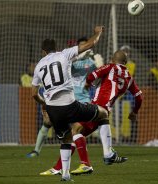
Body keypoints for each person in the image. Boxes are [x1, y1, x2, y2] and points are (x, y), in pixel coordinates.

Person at [40, 50, 143, 176]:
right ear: (125, 62)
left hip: (96, 108)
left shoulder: (109, 67)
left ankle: (86, 164)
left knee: (75, 131)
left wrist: (88, 84)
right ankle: (59, 167)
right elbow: (139, 96)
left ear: (112, 59)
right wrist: (134, 112)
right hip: (106, 109)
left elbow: (91, 76)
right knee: (75, 133)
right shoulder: (129, 78)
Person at [31, 25, 109, 181]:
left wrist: (44, 103)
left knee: (67, 139)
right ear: (55, 48)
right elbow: (89, 45)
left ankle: (65, 175)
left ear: (43, 51)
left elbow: (34, 94)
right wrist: (97, 33)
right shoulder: (64, 54)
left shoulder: (39, 65)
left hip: (53, 109)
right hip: (70, 105)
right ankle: (108, 153)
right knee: (103, 113)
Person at [26, 36, 102, 158]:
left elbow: (98, 77)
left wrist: (99, 65)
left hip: (74, 99)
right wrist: (97, 34)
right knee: (99, 116)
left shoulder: (91, 62)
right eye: (82, 46)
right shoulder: (66, 56)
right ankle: (36, 150)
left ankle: (69, 167)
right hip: (69, 99)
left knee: (72, 133)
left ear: (43, 51)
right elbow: (84, 50)